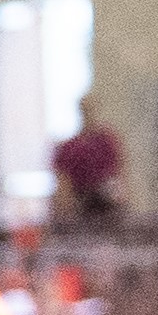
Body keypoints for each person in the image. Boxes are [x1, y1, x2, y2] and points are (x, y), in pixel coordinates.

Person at [53, 95, 126, 224]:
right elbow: (64, 182)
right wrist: (65, 208)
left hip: (107, 203)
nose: (88, 113)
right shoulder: (69, 147)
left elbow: (119, 174)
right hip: (81, 204)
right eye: (85, 110)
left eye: (91, 109)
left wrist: (121, 198)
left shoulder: (107, 142)